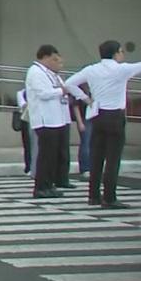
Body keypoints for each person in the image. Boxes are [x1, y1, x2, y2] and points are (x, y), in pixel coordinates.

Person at [64, 40, 141, 209]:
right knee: (113, 158)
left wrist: (85, 98)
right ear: (116, 53)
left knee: (96, 156)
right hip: (115, 116)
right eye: (121, 51)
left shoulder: (91, 69)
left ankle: (93, 195)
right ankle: (109, 197)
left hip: (97, 114)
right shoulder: (122, 69)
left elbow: (69, 83)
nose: (122, 54)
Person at [25, 45, 88, 199]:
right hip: (45, 119)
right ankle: (41, 187)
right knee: (46, 155)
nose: (56, 63)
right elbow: (43, 93)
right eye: (54, 59)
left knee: (53, 155)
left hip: (56, 119)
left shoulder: (51, 74)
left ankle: (50, 184)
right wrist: (62, 91)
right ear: (45, 57)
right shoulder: (36, 72)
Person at [15, 89, 32, 175]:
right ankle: (29, 167)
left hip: (39, 120)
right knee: (28, 145)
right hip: (26, 120)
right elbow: (23, 105)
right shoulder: (21, 93)